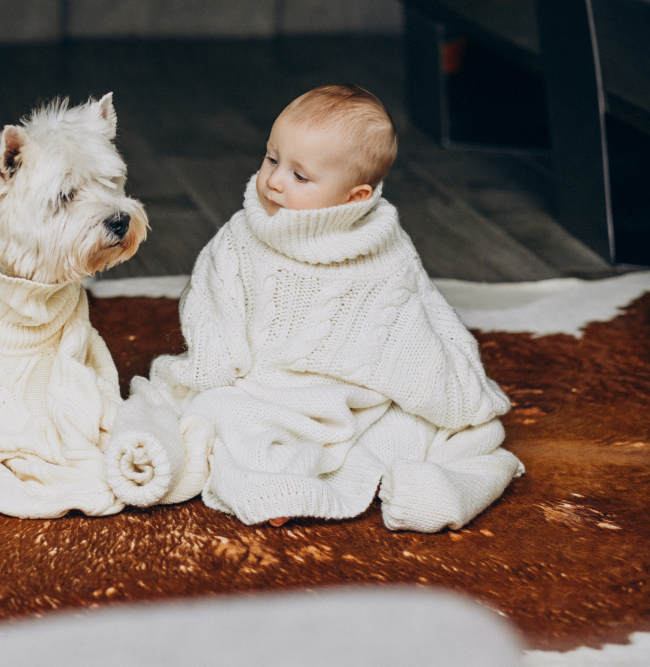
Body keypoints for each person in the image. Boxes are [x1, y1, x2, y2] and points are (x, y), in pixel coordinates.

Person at [105, 85, 523, 531]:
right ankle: (279, 482)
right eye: (271, 158)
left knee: (420, 429)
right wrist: (209, 379)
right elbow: (211, 310)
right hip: (264, 388)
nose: (275, 181)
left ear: (355, 197)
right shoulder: (242, 235)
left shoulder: (385, 250)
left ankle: (431, 489)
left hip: (359, 399)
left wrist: (455, 393)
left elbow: (419, 323)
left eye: (300, 176)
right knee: (217, 411)